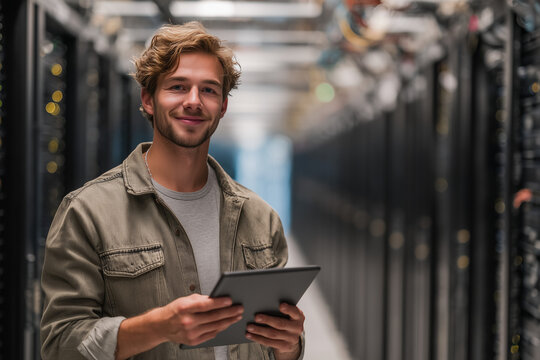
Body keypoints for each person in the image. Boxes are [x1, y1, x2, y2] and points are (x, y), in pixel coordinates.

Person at [40, 21, 305, 360]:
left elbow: (274, 346)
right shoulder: (88, 212)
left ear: (222, 106)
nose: (194, 101)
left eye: (209, 90)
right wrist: (158, 327)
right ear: (149, 100)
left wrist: (290, 345)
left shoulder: (259, 217)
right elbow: (60, 345)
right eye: (178, 87)